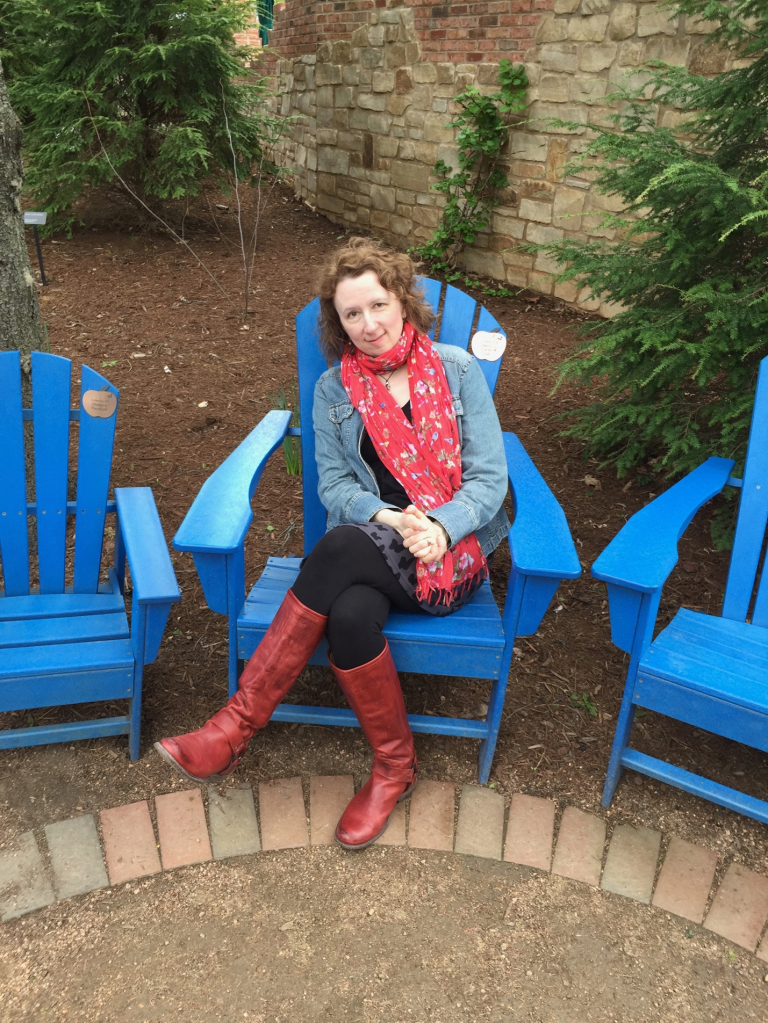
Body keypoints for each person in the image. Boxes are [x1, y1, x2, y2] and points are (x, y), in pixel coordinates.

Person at [155, 237, 510, 850]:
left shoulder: (458, 370)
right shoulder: (333, 390)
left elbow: (489, 479)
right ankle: (395, 767)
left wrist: (440, 527)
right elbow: (336, 486)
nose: (368, 324)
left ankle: (235, 728)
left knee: (342, 548)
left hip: (452, 556)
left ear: (402, 301)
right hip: (381, 543)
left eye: (378, 305)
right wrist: (391, 518)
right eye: (352, 313)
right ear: (337, 322)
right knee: (348, 616)